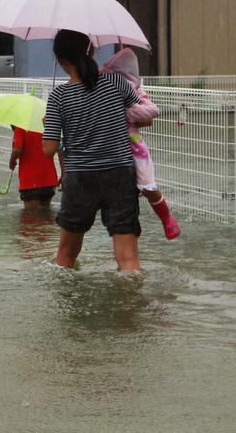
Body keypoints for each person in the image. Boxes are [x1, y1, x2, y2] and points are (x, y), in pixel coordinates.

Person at [41, 30, 143, 272]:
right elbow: (143, 116)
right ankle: (131, 303)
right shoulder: (116, 83)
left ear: (59, 58)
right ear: (91, 51)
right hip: (120, 174)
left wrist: (48, 126)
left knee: (65, 258)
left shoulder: (59, 96)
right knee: (128, 259)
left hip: (80, 179)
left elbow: (49, 149)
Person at [101, 48, 181, 240]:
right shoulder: (103, 91)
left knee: (148, 185)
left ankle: (166, 218)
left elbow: (152, 111)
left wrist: (129, 111)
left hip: (134, 146)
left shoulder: (137, 94)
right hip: (110, 147)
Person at [9, 126, 61, 208]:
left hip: (30, 181)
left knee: (31, 217)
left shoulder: (20, 127)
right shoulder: (45, 125)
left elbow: (16, 151)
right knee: (45, 214)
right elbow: (60, 148)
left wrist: (11, 162)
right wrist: (64, 173)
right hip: (49, 180)